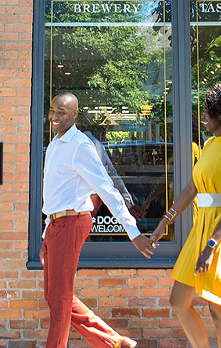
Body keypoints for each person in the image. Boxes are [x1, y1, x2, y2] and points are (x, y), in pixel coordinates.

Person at [146, 84, 221, 348]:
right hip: (200, 228)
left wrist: (211, 246)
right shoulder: (210, 144)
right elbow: (191, 188)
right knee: (178, 301)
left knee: (219, 310)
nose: (203, 116)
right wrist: (163, 224)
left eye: (207, 112)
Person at [42, 92, 155, 348]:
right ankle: (114, 342)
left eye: (61, 112)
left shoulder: (80, 146)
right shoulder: (56, 144)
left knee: (59, 298)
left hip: (71, 223)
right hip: (56, 224)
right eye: (52, 111)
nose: (54, 117)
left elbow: (106, 188)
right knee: (54, 296)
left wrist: (132, 232)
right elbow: (54, 195)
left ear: (74, 115)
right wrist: (45, 235)